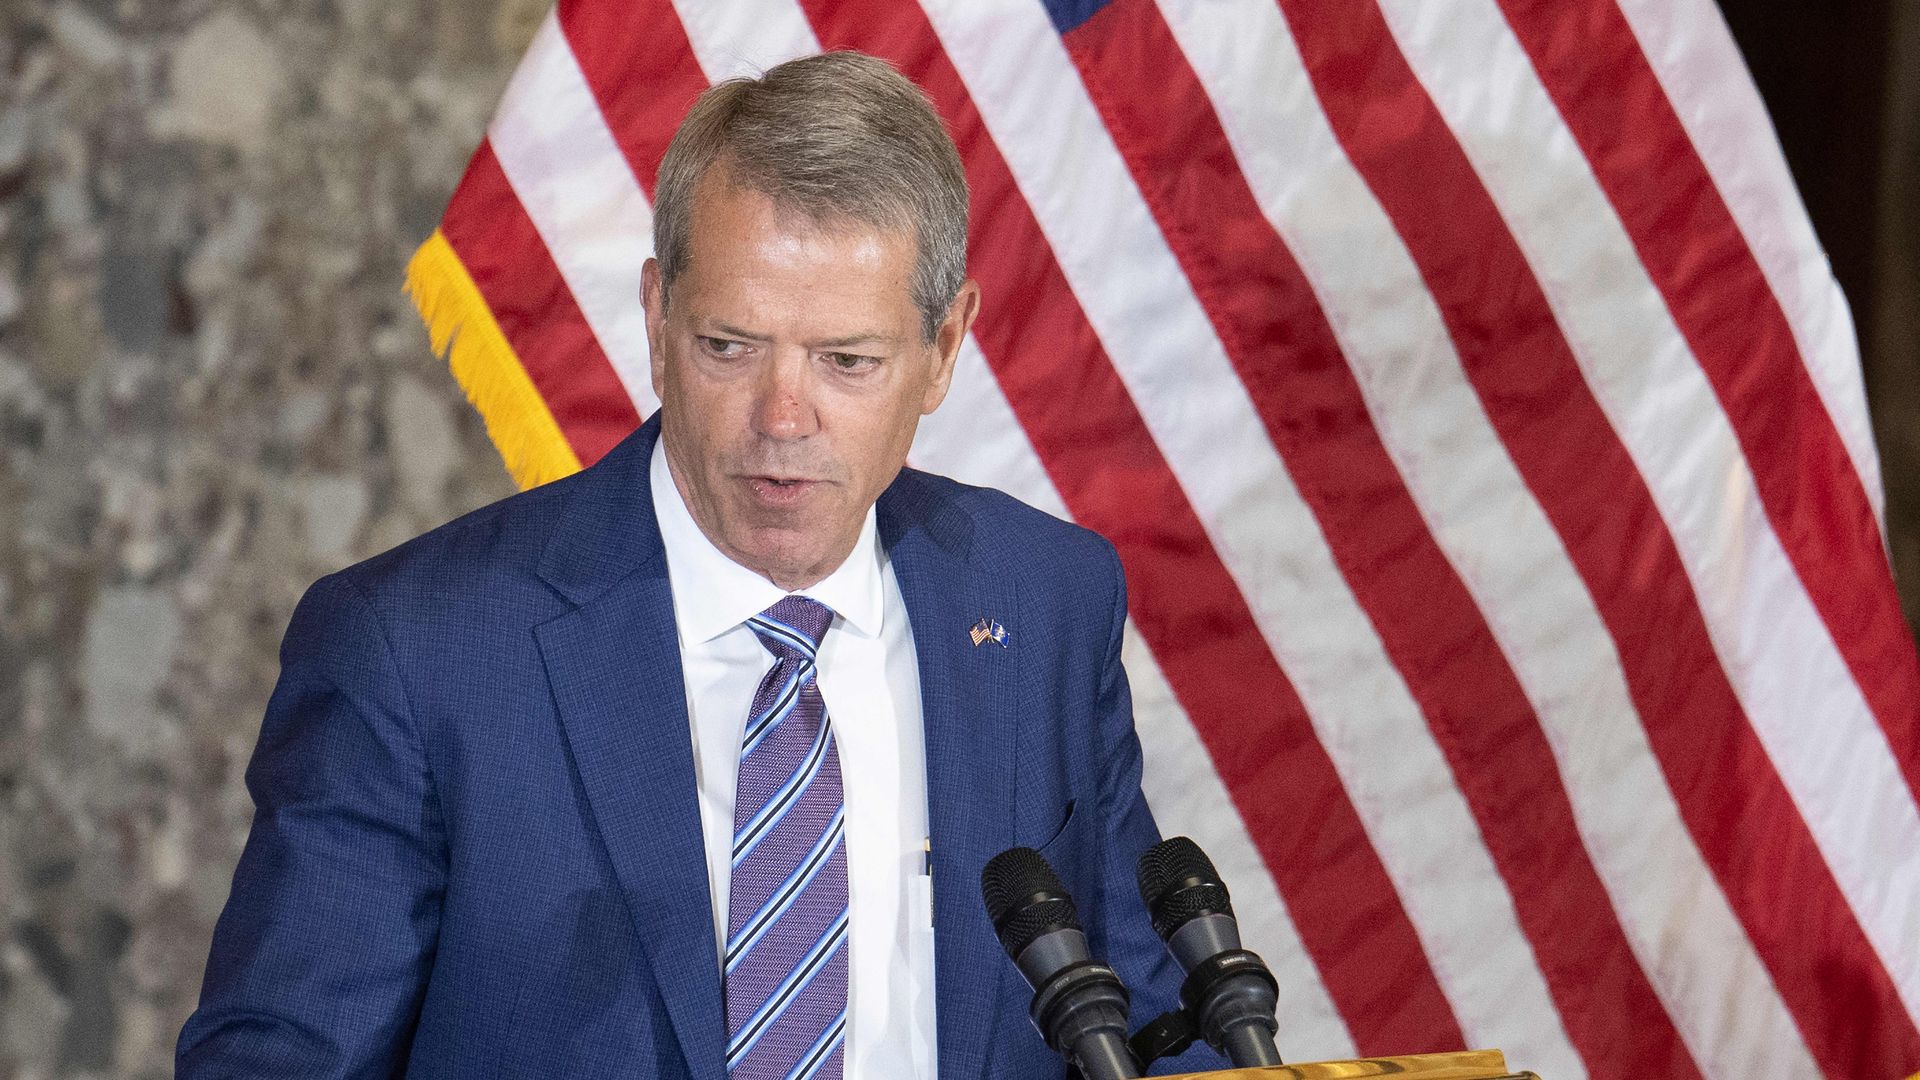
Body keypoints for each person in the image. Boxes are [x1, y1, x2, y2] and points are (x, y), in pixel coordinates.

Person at [178, 51, 1207, 1079]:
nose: (784, 417)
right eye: (730, 346)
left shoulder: (1043, 600)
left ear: (943, 348)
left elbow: (1156, 1031)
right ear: (657, 318)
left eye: (846, 361)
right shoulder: (419, 650)